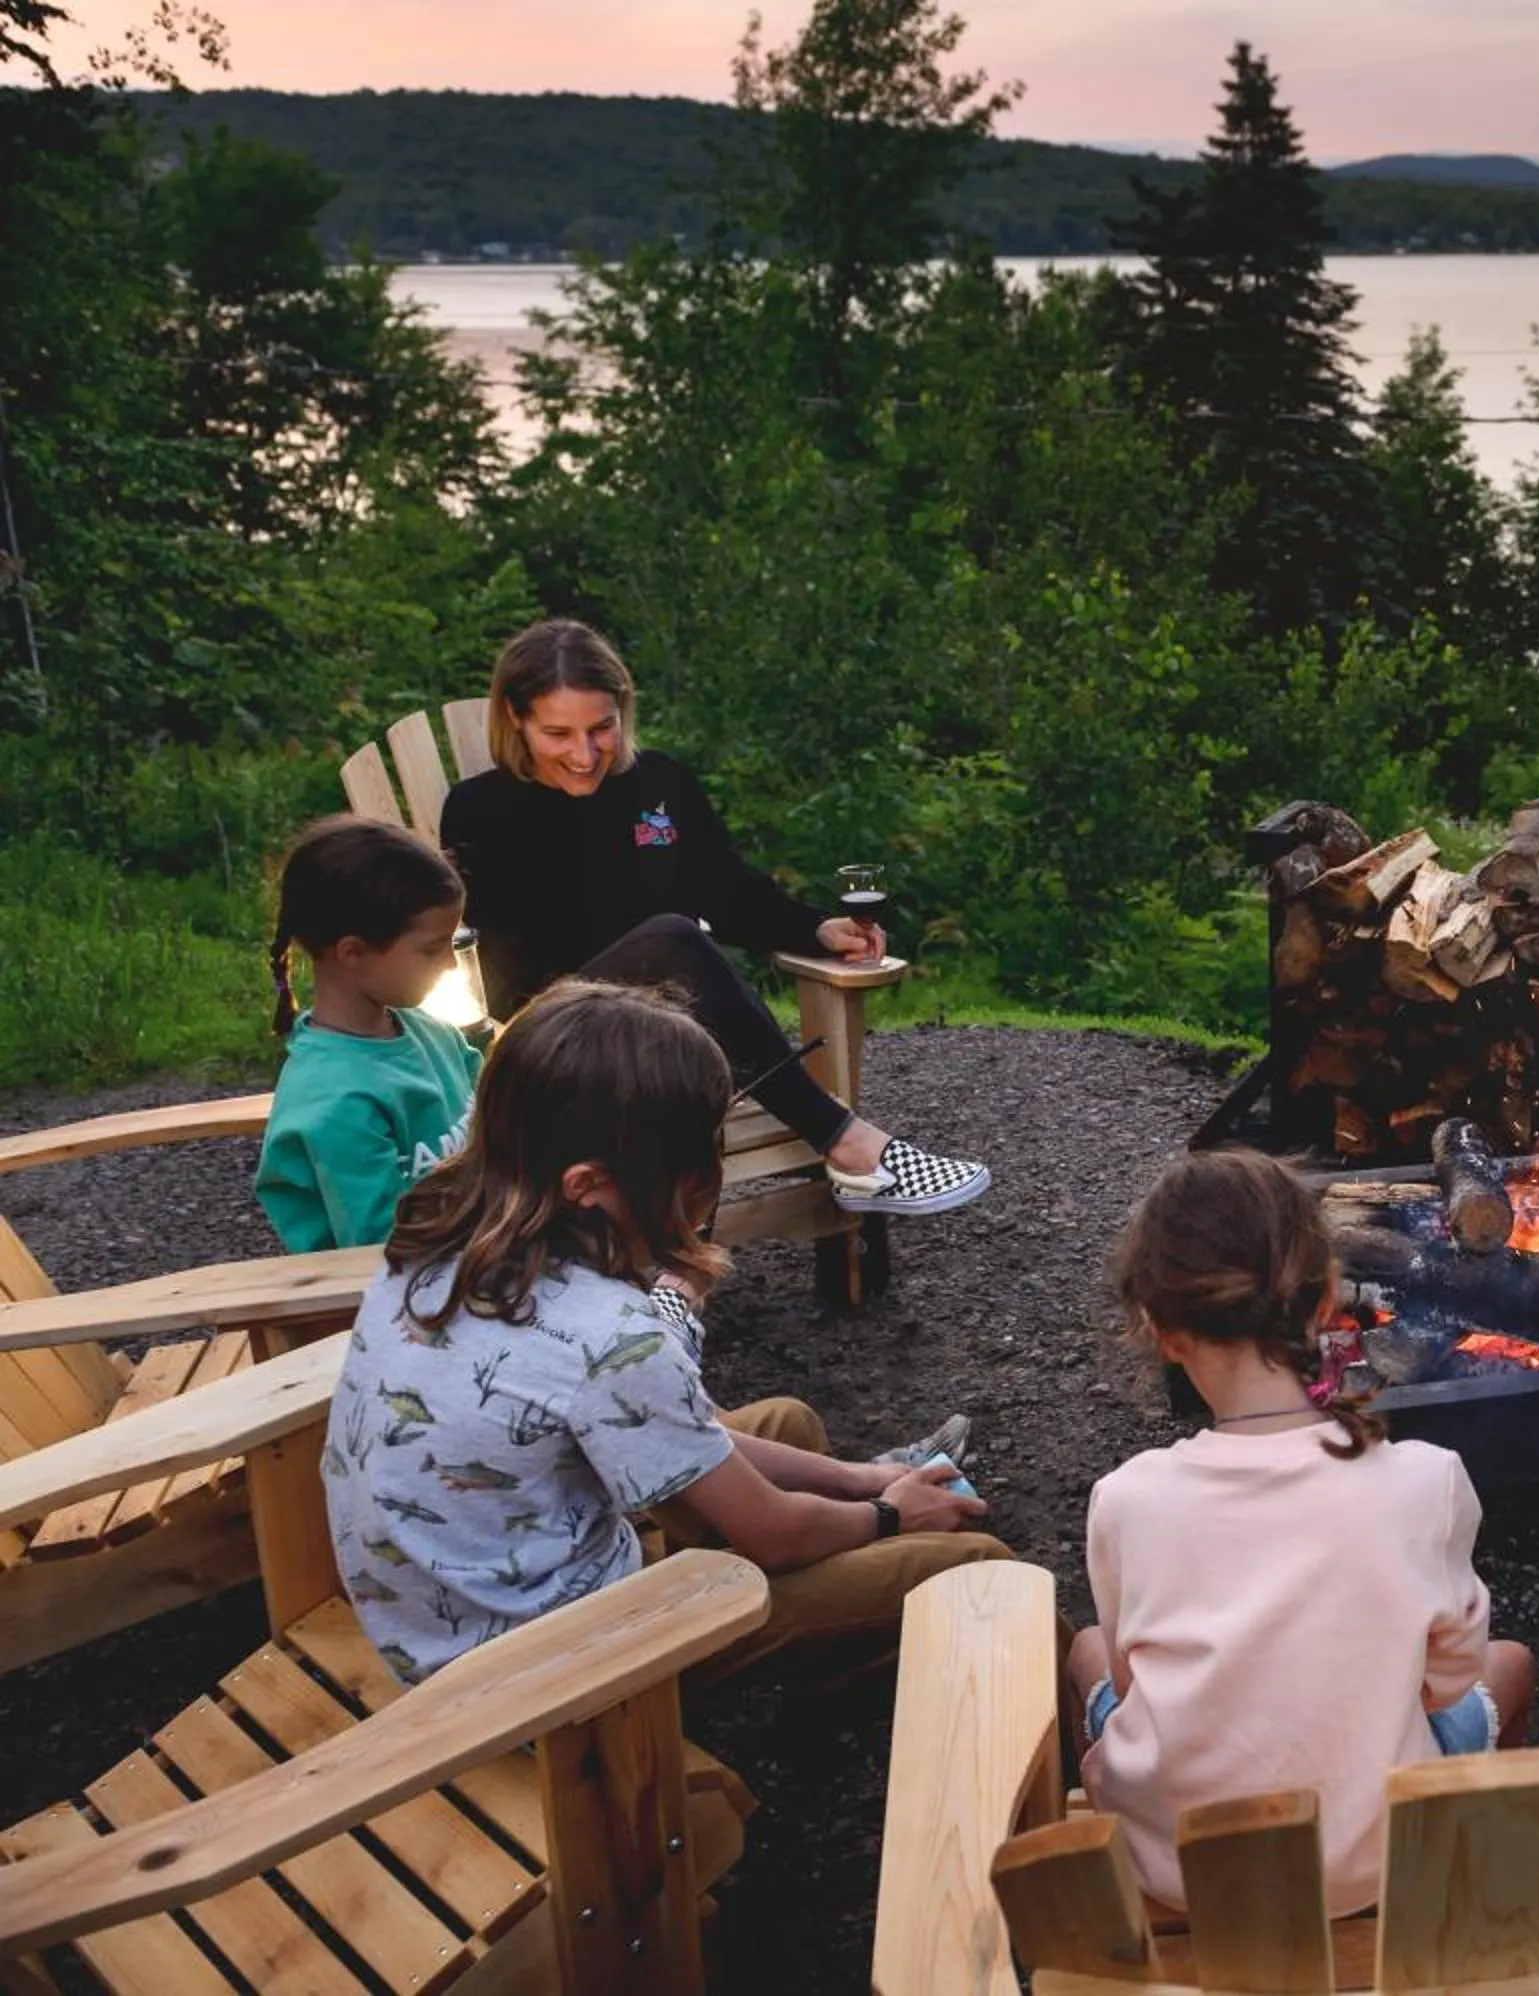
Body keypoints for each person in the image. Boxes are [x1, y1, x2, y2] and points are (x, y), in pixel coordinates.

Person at [323, 980, 1008, 1689]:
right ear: (588, 1185)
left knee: (787, 1422)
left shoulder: (434, 1240)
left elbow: (643, 1417)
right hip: (548, 1675)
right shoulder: (609, 1336)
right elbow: (775, 1535)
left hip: (438, 1624)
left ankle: (846, 1549)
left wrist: (863, 1481)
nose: (708, 1180)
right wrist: (891, 1516)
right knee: (976, 1569)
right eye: (698, 1163)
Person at [1068, 1149, 1538, 1912]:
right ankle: (1458, 1862)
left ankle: (1113, 1841)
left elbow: (1131, 1687)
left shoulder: (1127, 1499)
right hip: (1377, 1864)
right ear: (1326, 1297)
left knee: (1086, 1649)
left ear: (1159, 1330)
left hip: (1186, 1875)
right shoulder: (1428, 1480)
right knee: (1510, 1664)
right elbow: (1445, 1683)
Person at [436, 617, 988, 1219]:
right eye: (558, 734)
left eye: (601, 728)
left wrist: (814, 929)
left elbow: (726, 889)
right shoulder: (480, 812)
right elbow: (485, 970)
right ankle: (849, 1145)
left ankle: (845, 1158)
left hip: (669, 1040)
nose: (585, 754)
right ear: (515, 718)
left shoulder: (657, 784)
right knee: (675, 937)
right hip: (553, 1044)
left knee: (678, 941)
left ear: (623, 711)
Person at [256, 817, 480, 1252]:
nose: (451, 964)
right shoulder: (336, 1104)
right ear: (352, 953)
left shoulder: (431, 1031)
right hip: (397, 1280)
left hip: (471, 1250)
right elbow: (385, 1252)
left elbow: (503, 1121)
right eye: (433, 949)